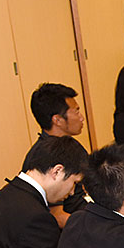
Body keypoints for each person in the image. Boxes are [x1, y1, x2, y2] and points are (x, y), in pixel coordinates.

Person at [23, 82, 89, 226]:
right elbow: (57, 216)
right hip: (76, 226)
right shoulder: (45, 158)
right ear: (57, 120)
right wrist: (95, 229)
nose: (81, 117)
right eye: (76, 111)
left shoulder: (69, 145)